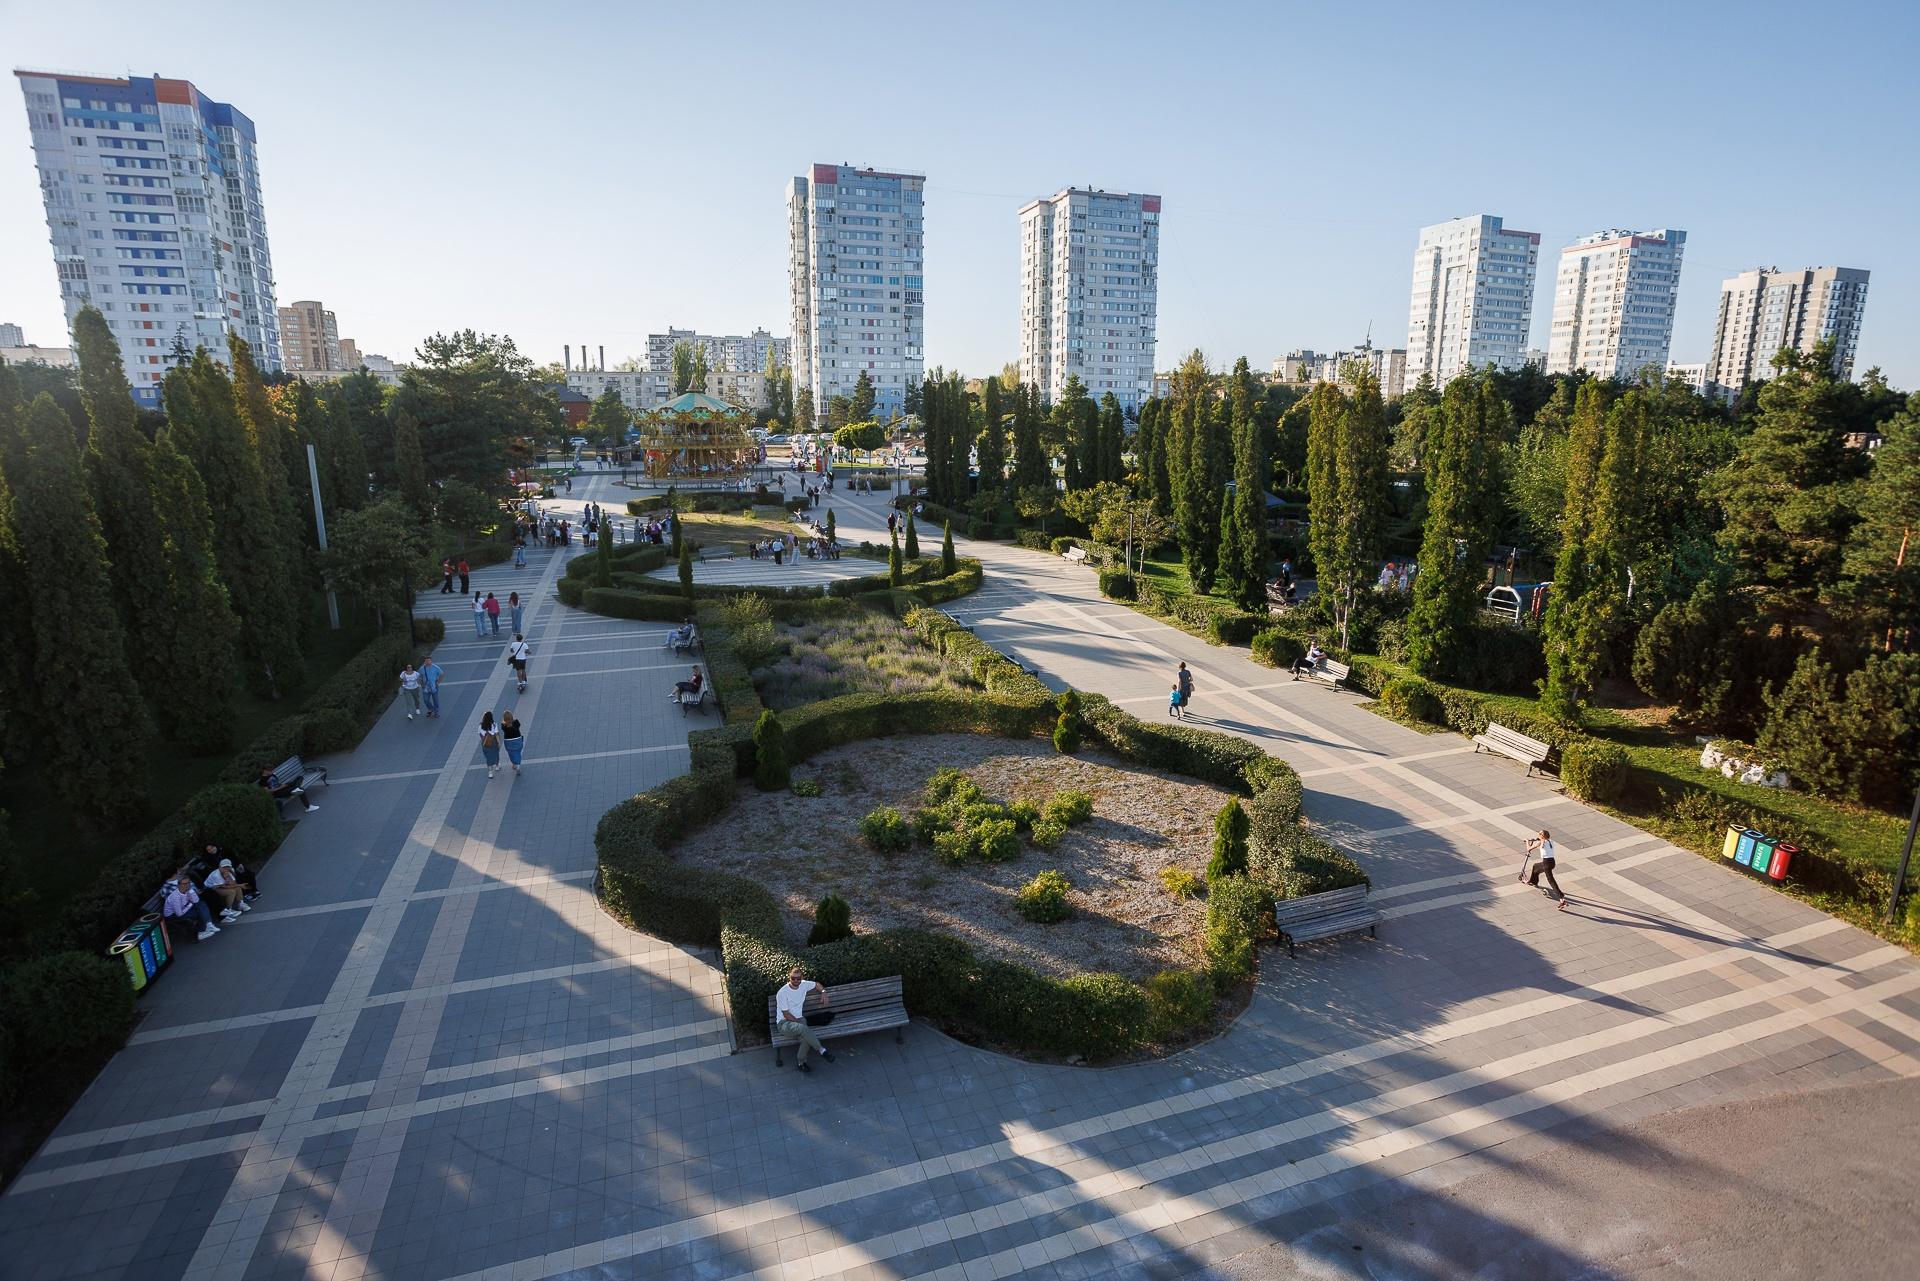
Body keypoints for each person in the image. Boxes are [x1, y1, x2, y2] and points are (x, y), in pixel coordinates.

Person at [774, 966, 835, 1073]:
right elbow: (786, 1014)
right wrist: (800, 1025)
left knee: (805, 1039)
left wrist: (824, 992)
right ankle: (822, 1050)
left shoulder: (804, 984)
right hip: (784, 1023)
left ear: (802, 978)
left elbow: (816, 984)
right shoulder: (782, 992)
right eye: (793, 978)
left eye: (798, 978)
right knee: (803, 1029)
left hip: (800, 1020)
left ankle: (801, 1063)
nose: (796, 980)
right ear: (789, 977)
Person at [163, 875, 223, 941]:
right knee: (198, 913)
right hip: (172, 916)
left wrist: (191, 891)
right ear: (179, 885)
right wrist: (189, 905)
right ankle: (200, 932)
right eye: (184, 884)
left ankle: (208, 924)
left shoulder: (187, 890)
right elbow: (179, 914)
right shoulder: (175, 896)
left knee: (201, 904)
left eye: (188, 883)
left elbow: (196, 901)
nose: (187, 885)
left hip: (183, 908)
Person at [1523, 830, 1567, 909]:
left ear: (1541, 836)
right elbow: (1542, 848)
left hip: (1546, 864)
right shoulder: (1550, 841)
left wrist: (1527, 841)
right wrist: (1537, 842)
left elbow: (1528, 849)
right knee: (1536, 866)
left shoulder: (1540, 842)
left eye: (1539, 834)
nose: (1538, 835)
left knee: (1551, 881)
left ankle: (1562, 899)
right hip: (1552, 862)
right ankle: (1533, 881)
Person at [478, 711, 502, 780]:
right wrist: (499, 742)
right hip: (493, 742)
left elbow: (479, 734)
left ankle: (490, 772)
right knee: (496, 754)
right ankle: (497, 766)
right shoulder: (494, 724)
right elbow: (497, 734)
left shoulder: (480, 725)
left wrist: (484, 740)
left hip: (485, 743)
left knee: (488, 757)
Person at [500, 710, 525, 775]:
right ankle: (518, 766)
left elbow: (503, 729)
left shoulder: (503, 725)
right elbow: (519, 725)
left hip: (508, 742)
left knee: (511, 754)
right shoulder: (516, 722)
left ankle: (514, 763)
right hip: (517, 740)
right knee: (518, 753)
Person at [419, 653, 444, 718]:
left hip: (434, 686)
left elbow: (442, 674)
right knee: (425, 700)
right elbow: (420, 677)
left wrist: (438, 682)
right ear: (424, 661)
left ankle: (436, 712)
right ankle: (430, 709)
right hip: (426, 687)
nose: (428, 662)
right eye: (426, 661)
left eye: (429, 660)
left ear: (431, 661)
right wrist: (422, 685)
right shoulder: (422, 668)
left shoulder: (435, 667)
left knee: (435, 700)